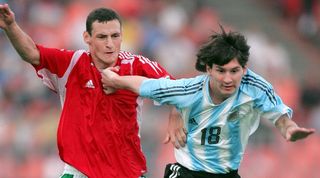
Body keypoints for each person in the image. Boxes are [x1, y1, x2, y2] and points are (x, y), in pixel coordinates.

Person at [101, 26, 315, 178]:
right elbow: (146, 85)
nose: (228, 78)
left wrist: (289, 129)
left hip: (227, 173)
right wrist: (116, 80)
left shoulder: (256, 88)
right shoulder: (189, 89)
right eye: (221, 71)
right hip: (187, 173)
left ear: (244, 69)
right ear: (209, 69)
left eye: (235, 71)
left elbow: (279, 115)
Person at [0, 3, 185, 178]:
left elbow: (175, 89)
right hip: (78, 173)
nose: (110, 44)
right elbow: (32, 53)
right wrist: (10, 26)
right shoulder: (71, 63)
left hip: (126, 173)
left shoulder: (136, 64)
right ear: (87, 37)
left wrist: (176, 113)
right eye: (102, 37)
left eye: (115, 36)